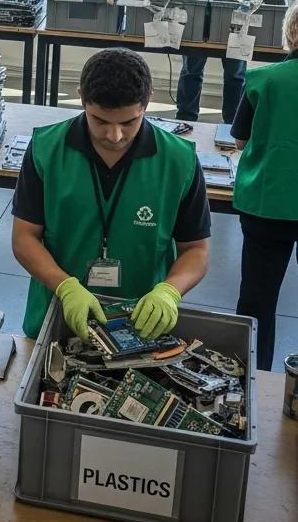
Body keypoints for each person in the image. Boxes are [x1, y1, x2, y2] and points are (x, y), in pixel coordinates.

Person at [12, 48, 210, 342]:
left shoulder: (179, 161)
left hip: (141, 319)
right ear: (82, 98)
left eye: (129, 122)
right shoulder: (46, 150)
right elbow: (24, 237)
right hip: (58, 309)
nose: (115, 136)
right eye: (101, 121)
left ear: (147, 101)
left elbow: (196, 249)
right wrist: (66, 286)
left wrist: (170, 291)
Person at [232, 3, 298, 371]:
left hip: (267, 204)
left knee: (258, 302)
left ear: (289, 33)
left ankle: (253, 383)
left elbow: (240, 141)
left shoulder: (264, 79)